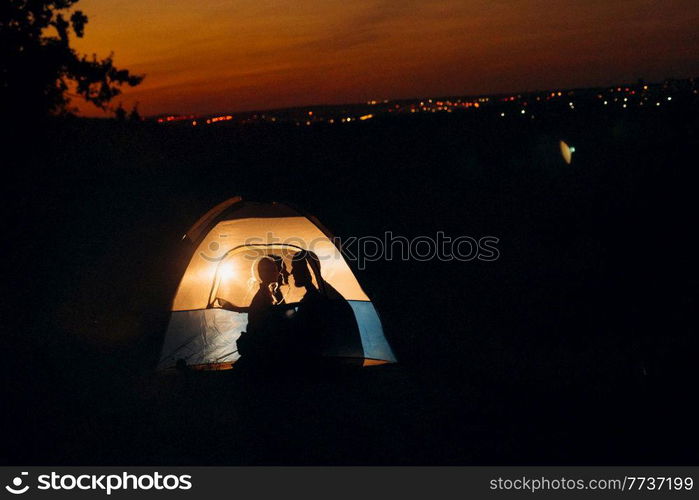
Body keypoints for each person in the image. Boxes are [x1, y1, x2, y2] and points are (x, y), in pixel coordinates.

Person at [288, 250, 364, 365]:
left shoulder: (320, 299)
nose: (291, 272)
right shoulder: (324, 294)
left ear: (308, 270)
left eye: (296, 267)